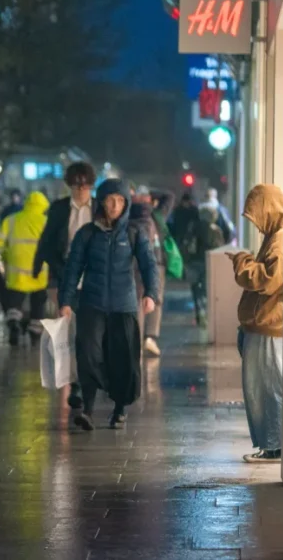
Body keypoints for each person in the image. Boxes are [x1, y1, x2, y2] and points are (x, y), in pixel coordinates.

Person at [59, 179, 159, 431]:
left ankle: (119, 409)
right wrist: (66, 301)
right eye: (109, 199)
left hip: (123, 306)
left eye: (120, 200)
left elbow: (149, 265)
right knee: (89, 355)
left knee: (123, 358)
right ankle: (89, 410)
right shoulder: (87, 234)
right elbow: (73, 269)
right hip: (92, 305)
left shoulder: (135, 233)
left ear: (125, 204)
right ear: (101, 202)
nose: (114, 205)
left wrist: (151, 294)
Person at [33, 161, 96, 409]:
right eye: (75, 183)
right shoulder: (59, 209)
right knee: (68, 334)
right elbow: (47, 239)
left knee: (88, 334)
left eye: (84, 184)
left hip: (93, 278)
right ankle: (75, 385)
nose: (80, 189)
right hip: (65, 276)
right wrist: (40, 268)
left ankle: (86, 382)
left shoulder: (99, 208)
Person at [230, 184, 283, 463]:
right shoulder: (275, 237)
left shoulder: (280, 240)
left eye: (257, 217)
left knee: (268, 389)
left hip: (269, 328)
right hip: (264, 326)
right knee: (262, 389)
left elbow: (268, 281)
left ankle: (274, 448)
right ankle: (271, 445)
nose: (258, 225)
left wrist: (242, 262)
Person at [0, 191, 50, 346]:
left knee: (15, 300)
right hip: (40, 272)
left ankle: (14, 324)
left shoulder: (11, 220)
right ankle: (35, 333)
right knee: (38, 302)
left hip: (16, 271)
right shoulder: (47, 222)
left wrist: (5, 254)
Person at [129, 185, 172, 358]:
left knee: (138, 302)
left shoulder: (127, 216)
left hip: (134, 265)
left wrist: (134, 196)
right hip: (157, 263)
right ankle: (150, 337)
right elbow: (169, 195)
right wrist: (151, 194)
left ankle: (136, 341)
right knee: (156, 300)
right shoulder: (157, 215)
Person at [184, 205, 227, 326]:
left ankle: (199, 311)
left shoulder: (194, 227)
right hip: (209, 263)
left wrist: (186, 260)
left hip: (194, 262)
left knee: (195, 288)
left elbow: (187, 243)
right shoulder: (216, 230)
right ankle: (207, 313)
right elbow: (220, 247)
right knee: (206, 289)